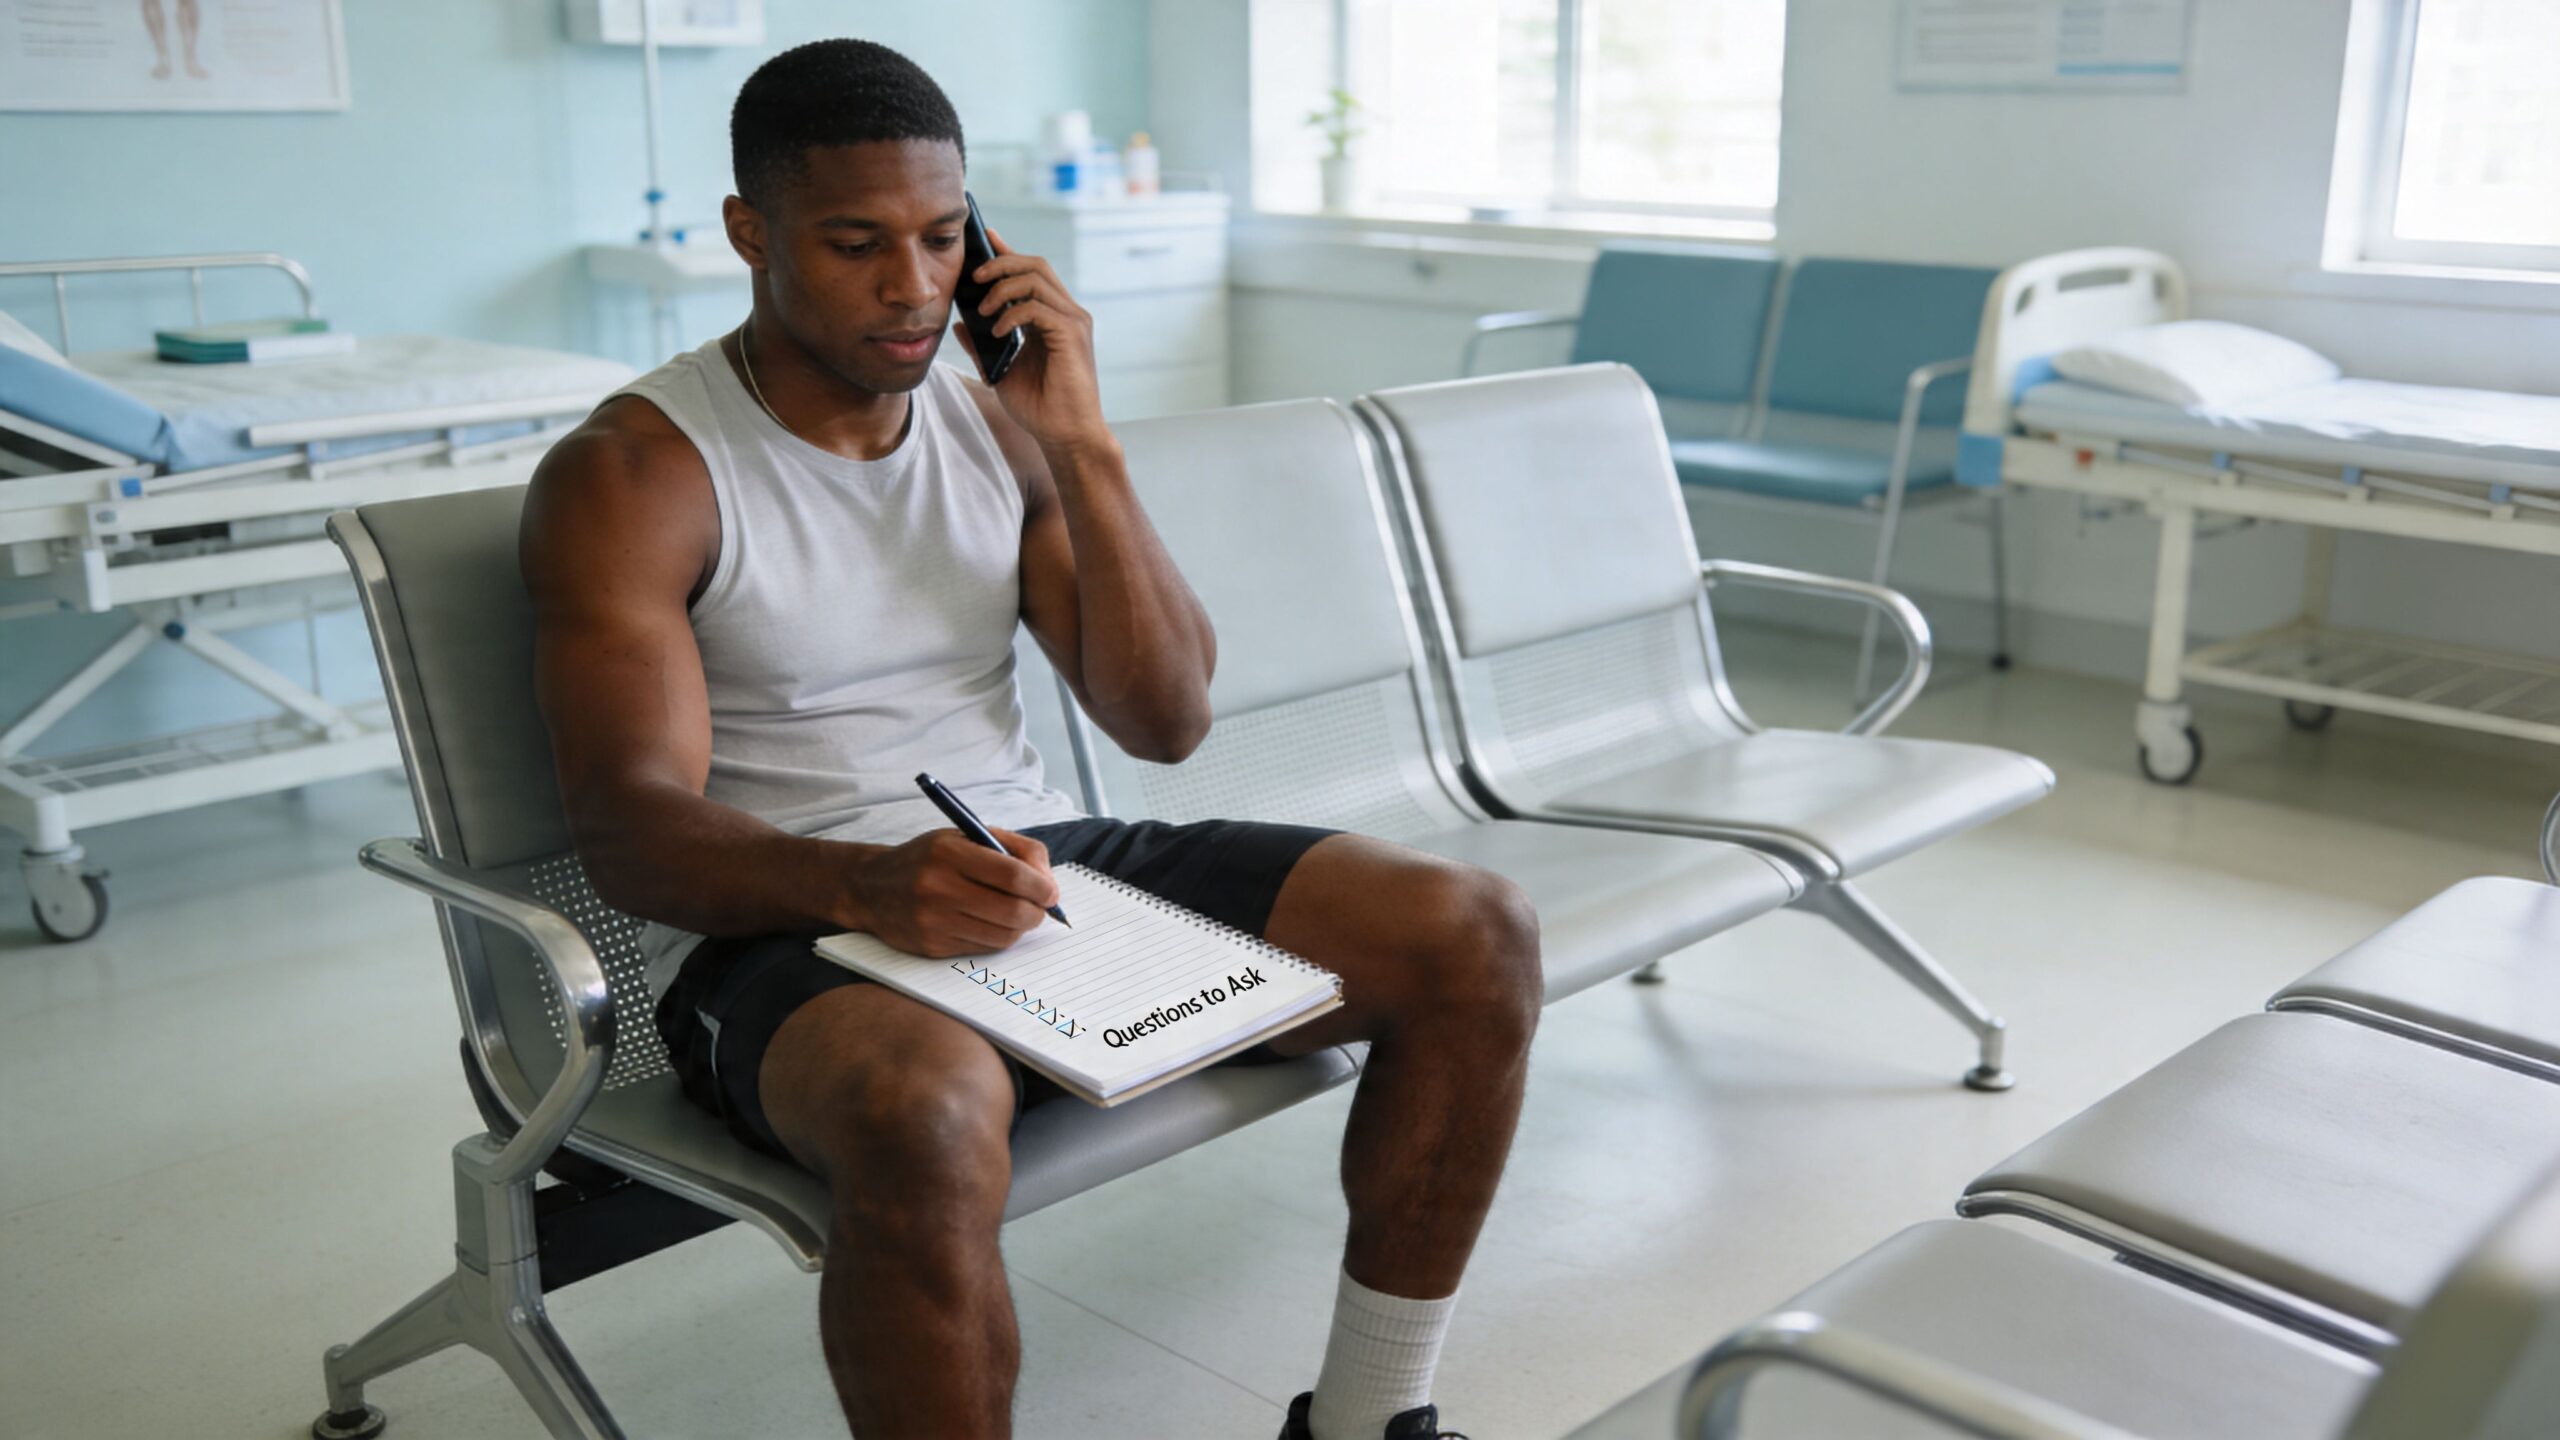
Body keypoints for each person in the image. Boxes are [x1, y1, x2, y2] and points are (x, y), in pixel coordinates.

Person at [521, 38, 1539, 1440]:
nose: (914, 286)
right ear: (751, 234)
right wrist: (867, 884)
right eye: (857, 243)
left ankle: (1369, 1419)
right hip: (777, 929)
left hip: (1029, 861)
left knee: (1471, 930)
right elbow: (630, 828)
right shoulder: (638, 472)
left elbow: (1164, 716)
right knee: (923, 1110)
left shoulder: (994, 422)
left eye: (944, 239)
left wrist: (1085, 448)